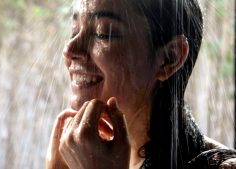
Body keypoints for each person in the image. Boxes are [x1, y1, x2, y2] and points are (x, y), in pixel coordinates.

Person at [46, 0, 236, 168]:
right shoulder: (87, 154)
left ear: (170, 58)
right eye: (74, 31)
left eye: (103, 33)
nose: (70, 50)